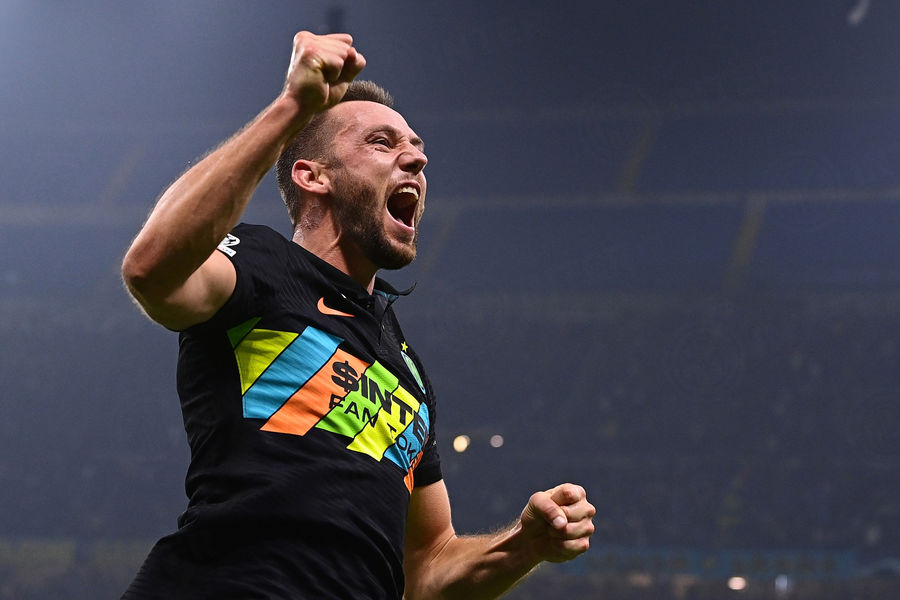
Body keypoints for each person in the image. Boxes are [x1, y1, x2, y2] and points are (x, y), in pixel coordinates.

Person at [121, 31, 595, 599]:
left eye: (416, 147)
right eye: (381, 142)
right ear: (313, 175)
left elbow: (427, 565)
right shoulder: (260, 264)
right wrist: (293, 106)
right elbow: (151, 269)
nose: (416, 158)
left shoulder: (406, 371)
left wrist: (525, 544)